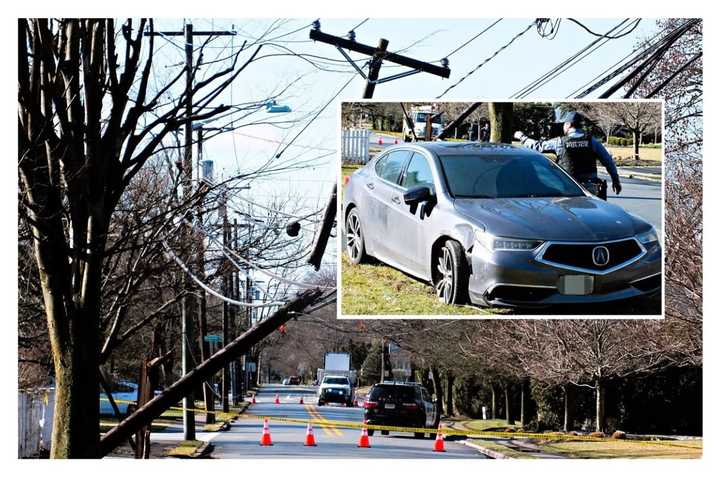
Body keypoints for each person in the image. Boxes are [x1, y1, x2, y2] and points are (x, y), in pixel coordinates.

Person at [514, 111, 622, 198]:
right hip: (590, 188)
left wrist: (522, 137)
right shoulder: (592, 141)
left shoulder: (560, 142)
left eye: (564, 124)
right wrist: (615, 180)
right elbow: (608, 161)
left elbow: (537, 146)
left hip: (567, 188)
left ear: (568, 125)